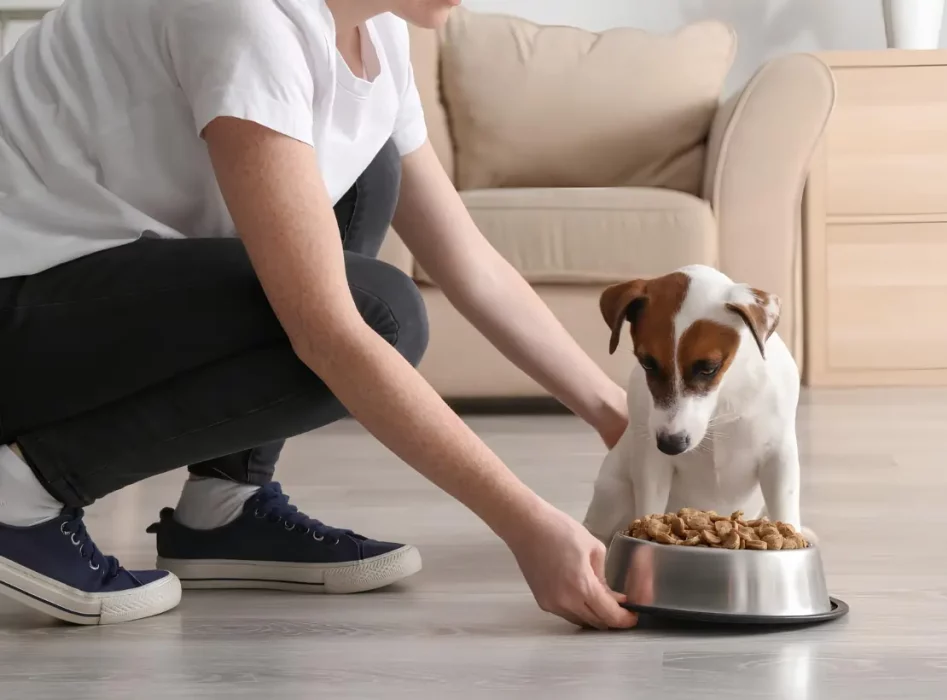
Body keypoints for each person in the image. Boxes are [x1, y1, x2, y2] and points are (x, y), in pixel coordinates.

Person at [0, 0, 638, 630]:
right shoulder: (244, 19)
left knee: (370, 169)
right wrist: (525, 524)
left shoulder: (373, 33)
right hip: (19, 302)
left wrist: (618, 417)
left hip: (82, 289)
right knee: (383, 316)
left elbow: (469, 263)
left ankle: (225, 504)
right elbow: (328, 332)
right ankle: (20, 495)